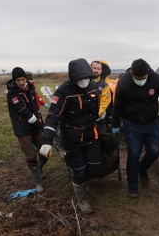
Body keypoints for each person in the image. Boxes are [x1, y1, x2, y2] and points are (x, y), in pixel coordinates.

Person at [111, 58, 159, 198]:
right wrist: (114, 124)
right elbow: (117, 105)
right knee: (133, 153)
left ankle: (142, 169)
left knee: (155, 151)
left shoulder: (157, 80)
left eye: (143, 78)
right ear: (132, 73)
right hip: (132, 124)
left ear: (148, 73)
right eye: (137, 78)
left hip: (151, 122)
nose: (140, 80)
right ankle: (132, 186)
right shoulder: (124, 82)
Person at [39, 58, 102, 214]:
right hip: (72, 138)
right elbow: (53, 116)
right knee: (79, 170)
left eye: (86, 78)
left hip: (90, 135)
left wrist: (99, 116)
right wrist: (46, 141)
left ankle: (84, 181)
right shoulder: (63, 92)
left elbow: (96, 107)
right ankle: (81, 199)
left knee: (95, 167)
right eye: (80, 79)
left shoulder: (93, 87)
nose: (84, 82)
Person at [6, 67, 47, 192]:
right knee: (30, 154)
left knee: (44, 150)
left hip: (35, 125)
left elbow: (35, 105)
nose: (21, 82)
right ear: (14, 80)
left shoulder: (31, 88)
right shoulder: (12, 93)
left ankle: (40, 168)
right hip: (22, 128)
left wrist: (39, 120)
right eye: (18, 80)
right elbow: (22, 109)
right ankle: (37, 182)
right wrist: (32, 118)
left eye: (23, 79)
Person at [90, 60, 112, 133]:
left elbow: (105, 101)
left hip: (100, 119)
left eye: (98, 69)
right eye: (94, 68)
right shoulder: (84, 83)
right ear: (90, 68)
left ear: (101, 71)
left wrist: (97, 114)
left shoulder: (105, 85)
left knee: (101, 139)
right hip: (85, 119)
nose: (96, 70)